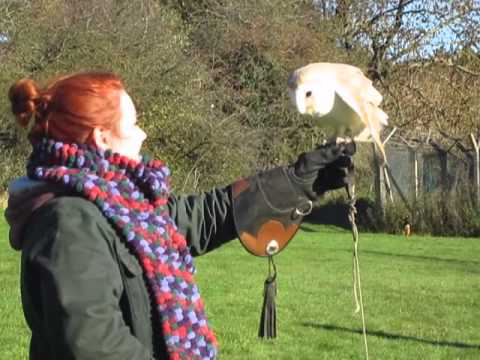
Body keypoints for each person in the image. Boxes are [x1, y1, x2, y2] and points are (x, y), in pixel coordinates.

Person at [5, 72, 355, 360]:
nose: (143, 134)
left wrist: (298, 181)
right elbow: (92, 345)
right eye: (134, 123)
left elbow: (200, 217)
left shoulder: (123, 204)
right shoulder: (68, 221)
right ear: (101, 138)